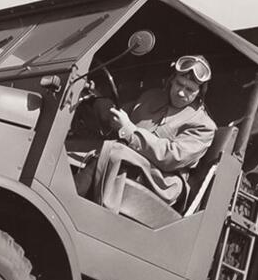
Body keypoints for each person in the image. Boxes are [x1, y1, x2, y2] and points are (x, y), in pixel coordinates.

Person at [89, 54, 217, 210]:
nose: (181, 92)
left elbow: (171, 157)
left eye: (189, 89)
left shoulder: (204, 126)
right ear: (172, 79)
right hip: (129, 163)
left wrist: (130, 132)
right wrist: (101, 103)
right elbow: (121, 116)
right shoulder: (150, 97)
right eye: (179, 83)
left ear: (200, 92)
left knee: (113, 153)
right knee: (93, 149)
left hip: (161, 181)